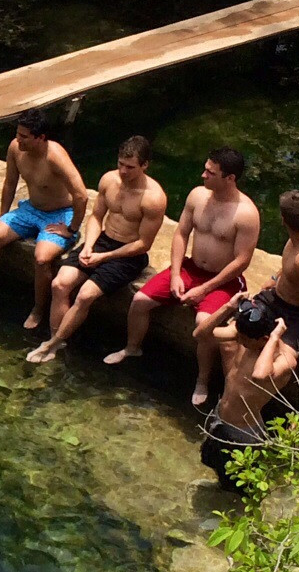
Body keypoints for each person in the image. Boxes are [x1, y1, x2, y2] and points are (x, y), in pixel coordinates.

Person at [107, 146, 261, 408]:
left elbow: (241, 262)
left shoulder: (246, 213)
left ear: (230, 178)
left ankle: (202, 379)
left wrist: (205, 289)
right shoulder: (197, 196)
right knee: (140, 300)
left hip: (222, 280)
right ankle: (133, 347)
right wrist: (176, 273)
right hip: (189, 269)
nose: (203, 175)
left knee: (204, 322)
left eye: (210, 172)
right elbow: (181, 234)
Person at [27, 136, 167, 364]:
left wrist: (105, 256)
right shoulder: (109, 180)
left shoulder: (153, 198)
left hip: (128, 254)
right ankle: (57, 340)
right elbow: (96, 216)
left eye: (130, 167)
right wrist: (90, 246)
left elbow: (144, 244)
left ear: (144, 165)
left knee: (85, 296)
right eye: (121, 164)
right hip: (102, 242)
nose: (123, 171)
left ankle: (50, 345)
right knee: (59, 283)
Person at [206, 190, 299, 431]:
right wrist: (277, 276)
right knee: (228, 343)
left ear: (283, 220)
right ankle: (232, 396)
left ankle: (251, 414)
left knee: (271, 363)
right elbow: (290, 264)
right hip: (276, 298)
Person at [0, 109, 89, 326]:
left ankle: (39, 309)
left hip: (59, 214)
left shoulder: (55, 157)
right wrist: (2, 216)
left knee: (41, 258)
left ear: (40, 138)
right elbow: (10, 182)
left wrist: (71, 228)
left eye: (24, 136)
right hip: (30, 209)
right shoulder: (15, 148)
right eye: (18, 134)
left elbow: (81, 195)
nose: (18, 139)